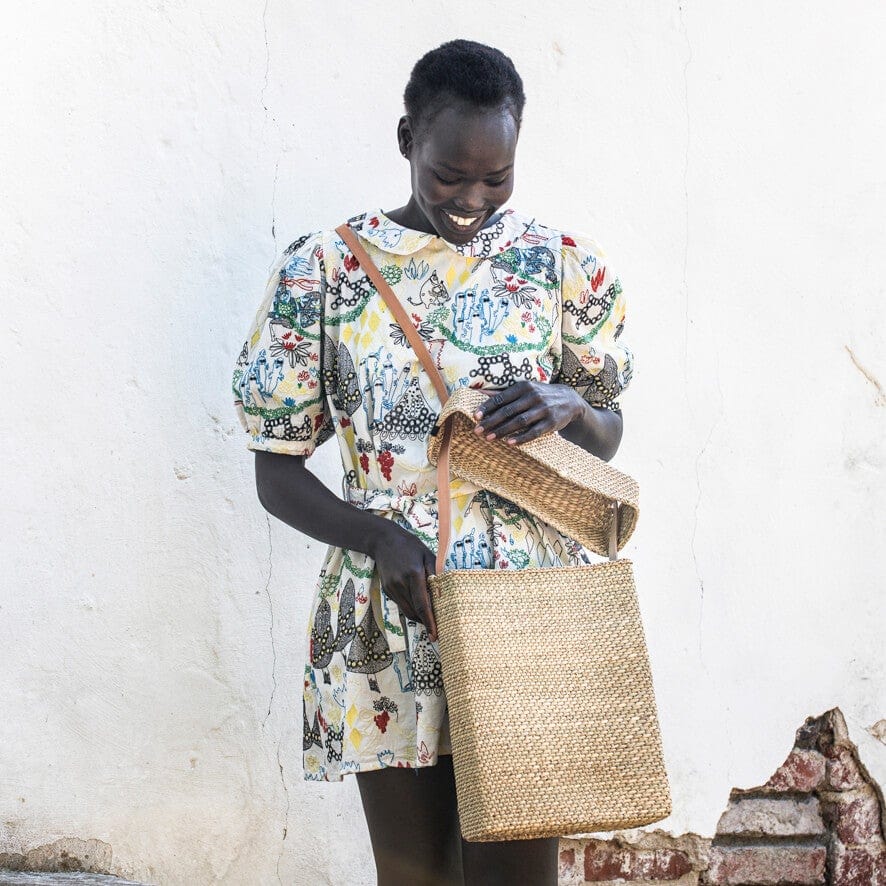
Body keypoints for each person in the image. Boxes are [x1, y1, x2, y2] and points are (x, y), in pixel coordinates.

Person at [232, 39, 633, 886]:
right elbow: (277, 472)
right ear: (407, 135)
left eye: (497, 178)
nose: (471, 199)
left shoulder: (560, 266)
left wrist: (571, 407)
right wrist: (376, 537)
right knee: (415, 876)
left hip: (526, 607)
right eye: (451, 173)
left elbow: (607, 433)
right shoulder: (326, 272)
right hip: (390, 606)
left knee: (519, 876)